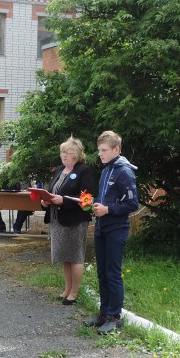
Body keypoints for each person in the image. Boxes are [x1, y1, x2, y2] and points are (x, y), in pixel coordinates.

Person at [85, 131, 139, 334]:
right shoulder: (106, 169)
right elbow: (106, 198)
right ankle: (103, 313)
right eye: (99, 150)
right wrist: (93, 203)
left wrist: (108, 210)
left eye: (104, 150)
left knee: (113, 273)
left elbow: (132, 204)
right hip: (101, 227)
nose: (100, 154)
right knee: (102, 272)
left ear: (117, 149)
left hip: (117, 228)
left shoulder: (124, 171)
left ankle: (114, 317)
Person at [40, 137, 97, 305]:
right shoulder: (59, 170)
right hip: (57, 219)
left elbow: (87, 198)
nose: (64, 155)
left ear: (77, 155)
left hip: (75, 220)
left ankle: (74, 292)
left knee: (75, 256)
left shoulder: (84, 170)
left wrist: (63, 201)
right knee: (65, 256)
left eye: (68, 152)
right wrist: (45, 201)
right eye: (62, 152)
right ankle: (66, 289)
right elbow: (53, 192)